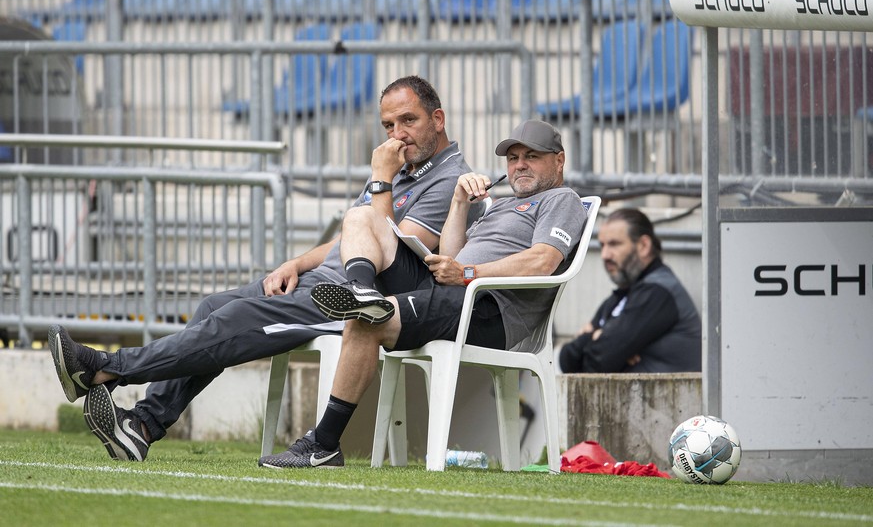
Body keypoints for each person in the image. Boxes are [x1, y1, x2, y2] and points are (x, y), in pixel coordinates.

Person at [47, 75, 484, 462]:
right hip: (319, 281)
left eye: (408, 121)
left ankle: (106, 367)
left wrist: (381, 179)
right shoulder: (400, 170)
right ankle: (141, 426)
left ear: (438, 119)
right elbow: (351, 237)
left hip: (357, 302)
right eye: (388, 125)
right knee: (213, 305)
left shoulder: (449, 179)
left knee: (235, 319)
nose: (397, 135)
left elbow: (388, 244)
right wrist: (294, 262)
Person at [257, 119, 588, 468]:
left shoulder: (561, 199)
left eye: (531, 156)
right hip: (452, 294)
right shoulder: (503, 205)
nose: (519, 164)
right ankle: (362, 287)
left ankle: (322, 444)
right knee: (361, 216)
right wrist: (459, 203)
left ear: (559, 160)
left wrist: (468, 274)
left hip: (489, 308)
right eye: (513, 157)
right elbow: (453, 255)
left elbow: (543, 261)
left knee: (365, 323)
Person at [558, 208, 701, 373]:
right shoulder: (620, 297)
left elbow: (598, 362)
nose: (604, 255)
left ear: (643, 246)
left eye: (614, 244)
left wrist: (593, 340)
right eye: (602, 245)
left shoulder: (658, 292)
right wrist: (593, 338)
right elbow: (567, 362)